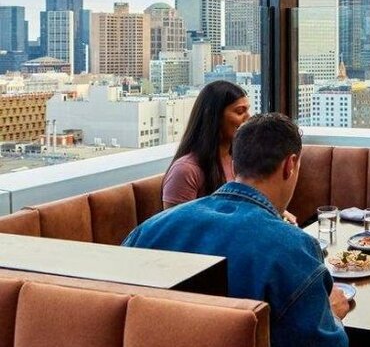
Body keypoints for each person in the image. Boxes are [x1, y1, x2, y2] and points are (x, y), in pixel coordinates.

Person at [124, 113, 350, 347]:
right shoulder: (294, 251)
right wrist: (331, 315)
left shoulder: (147, 231)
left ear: (234, 165)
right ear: (290, 165)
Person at [162, 80, 250, 209]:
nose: (248, 118)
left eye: (247, 111)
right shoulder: (185, 171)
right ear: (214, 116)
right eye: (239, 112)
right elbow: (178, 227)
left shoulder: (240, 161)